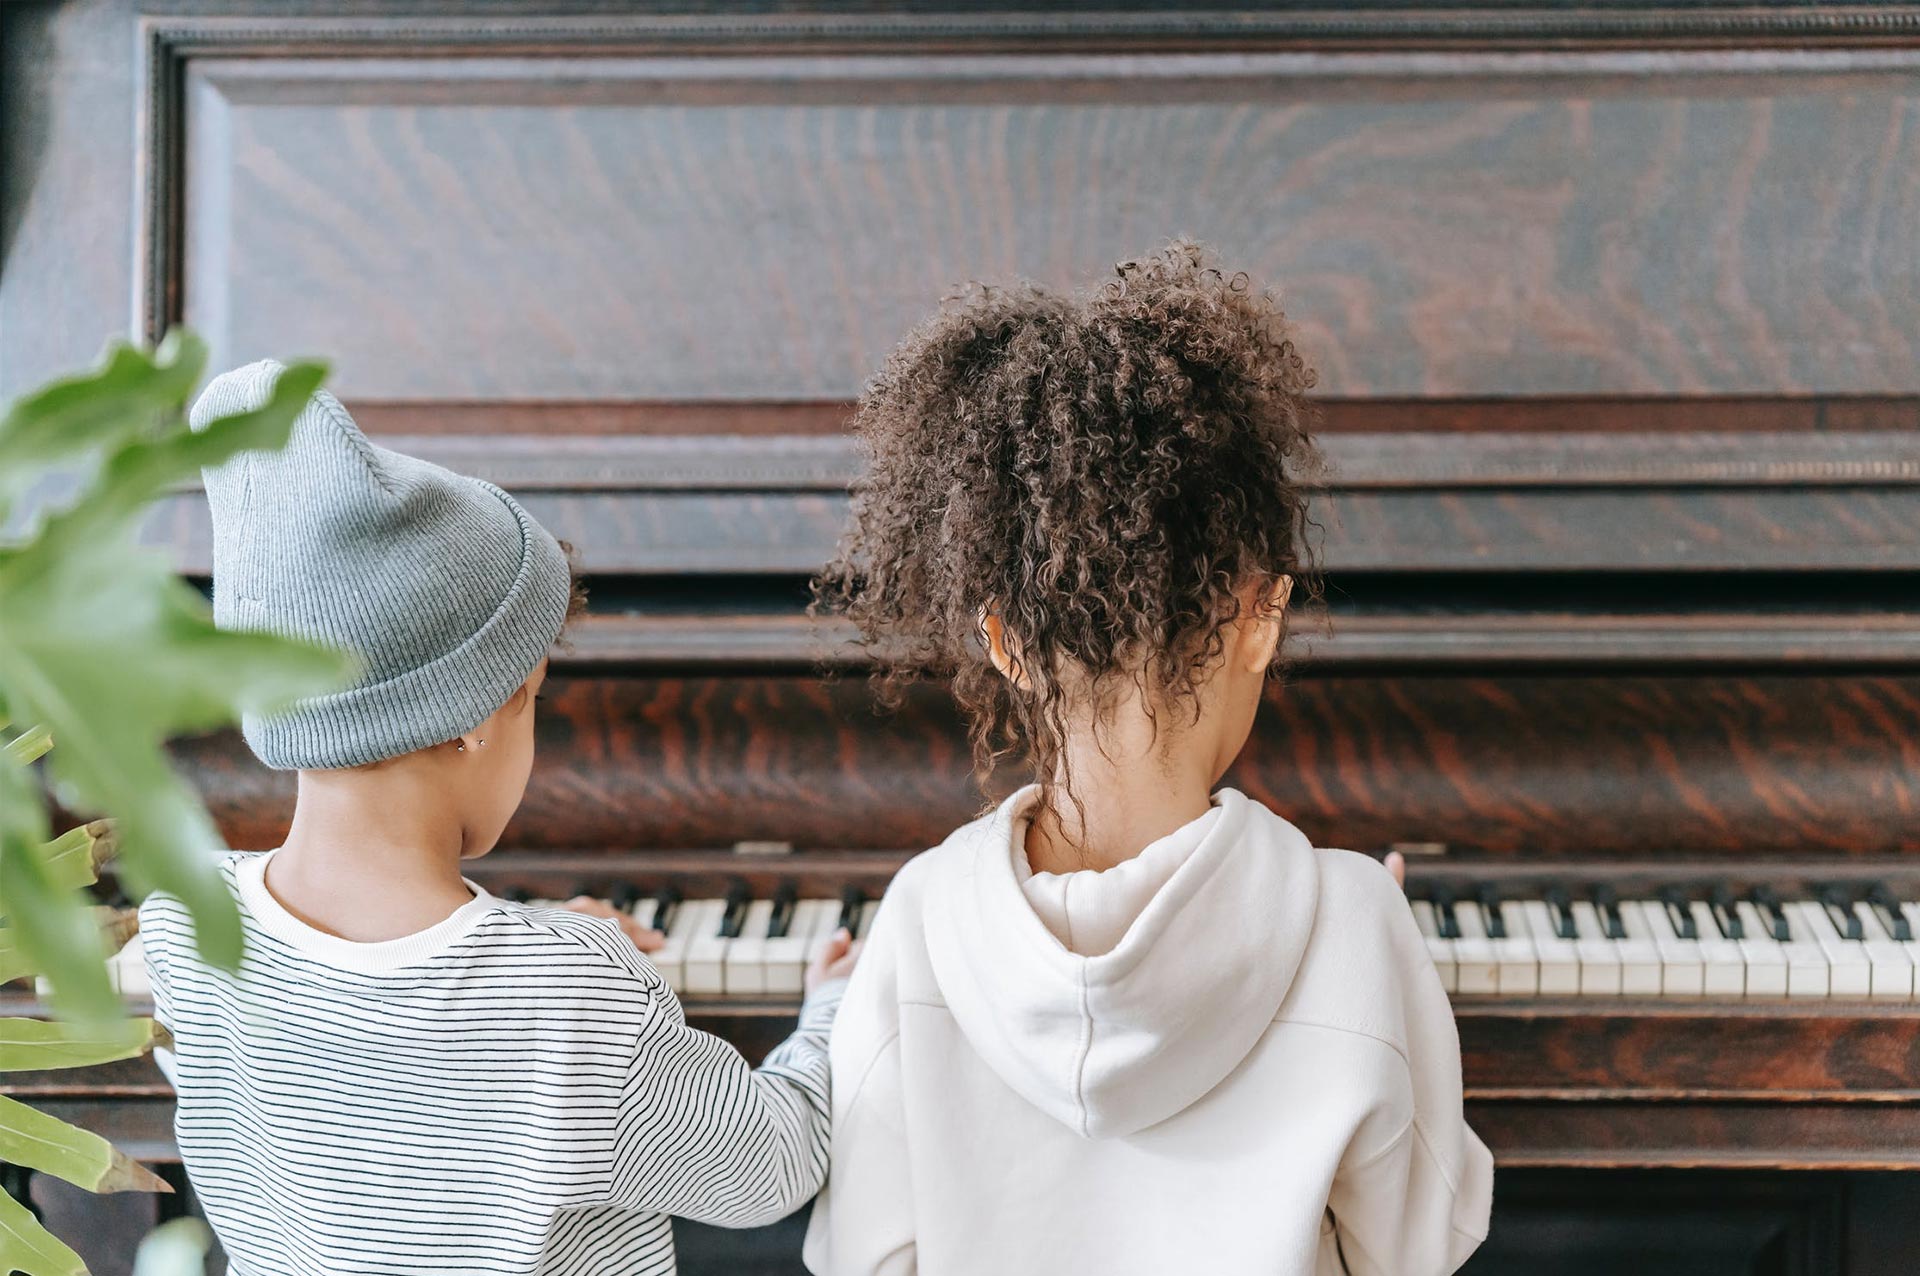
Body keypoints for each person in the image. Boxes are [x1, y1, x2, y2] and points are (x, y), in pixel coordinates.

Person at [804, 242, 1492, 1275]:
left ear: (1006, 642)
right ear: (1262, 616)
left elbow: (870, 1256)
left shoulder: (919, 920)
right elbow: (1416, 1247)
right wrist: (1367, 941)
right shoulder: (1353, 923)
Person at [139, 360, 856, 1275]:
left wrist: (533, 945)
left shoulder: (184, 925)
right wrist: (833, 1012)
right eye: (534, 701)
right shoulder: (570, 995)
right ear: (478, 719)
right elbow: (773, 1170)